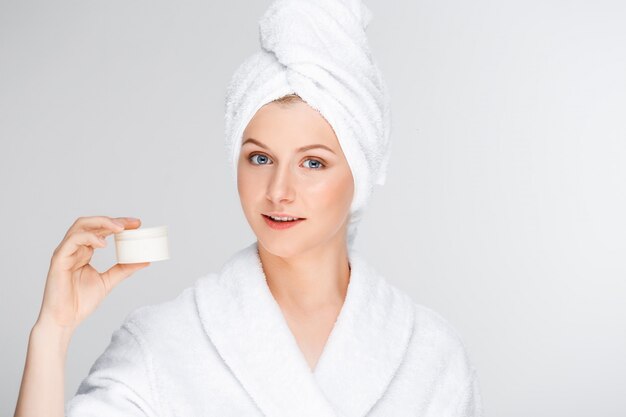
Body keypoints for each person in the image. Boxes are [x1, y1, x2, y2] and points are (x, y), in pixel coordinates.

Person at [15, 1, 484, 416]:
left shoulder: (430, 353)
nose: (279, 190)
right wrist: (52, 331)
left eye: (313, 163)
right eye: (260, 158)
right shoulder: (164, 343)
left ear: (359, 173)